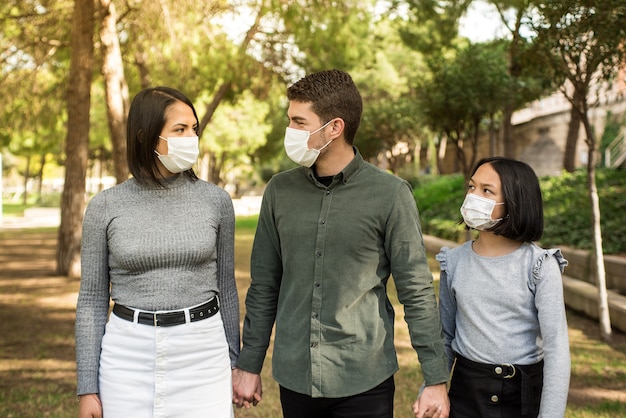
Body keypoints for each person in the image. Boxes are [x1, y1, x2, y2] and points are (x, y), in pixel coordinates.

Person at [232, 69, 450, 418]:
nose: (290, 131)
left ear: (334, 127)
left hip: (364, 377)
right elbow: (264, 285)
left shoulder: (391, 195)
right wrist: (248, 364)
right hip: (295, 376)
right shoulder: (279, 191)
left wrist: (435, 378)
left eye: (299, 122)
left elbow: (416, 289)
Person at [75, 86, 240, 418]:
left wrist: (234, 363)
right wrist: (87, 388)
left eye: (193, 128)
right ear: (146, 136)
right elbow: (92, 300)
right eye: (179, 129)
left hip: (203, 354)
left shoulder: (216, 201)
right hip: (127, 356)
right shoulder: (105, 206)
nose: (191, 137)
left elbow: (228, 288)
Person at [437, 157, 571, 418]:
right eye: (471, 187)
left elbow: (557, 351)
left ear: (514, 201)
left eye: (487, 190)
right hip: (465, 394)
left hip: (521, 397)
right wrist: (433, 386)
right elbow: (446, 336)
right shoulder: (452, 263)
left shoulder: (541, 265)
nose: (473, 196)